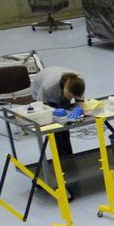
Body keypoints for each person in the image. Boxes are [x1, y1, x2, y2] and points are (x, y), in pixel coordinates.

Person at [30, 66, 86, 196]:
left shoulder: (79, 82)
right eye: (69, 96)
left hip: (60, 91)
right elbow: (40, 106)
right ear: (65, 88)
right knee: (55, 131)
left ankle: (68, 161)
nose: (70, 98)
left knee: (64, 129)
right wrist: (52, 111)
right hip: (41, 93)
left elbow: (80, 101)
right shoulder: (48, 87)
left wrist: (78, 108)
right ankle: (61, 165)